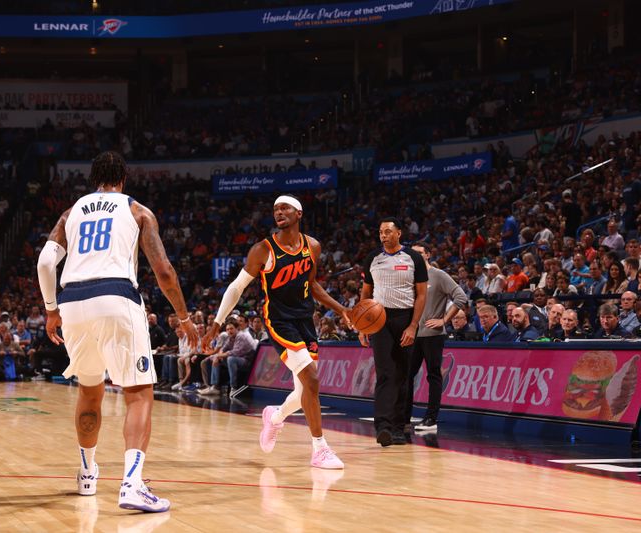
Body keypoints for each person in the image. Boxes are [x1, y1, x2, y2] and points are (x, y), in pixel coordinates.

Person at [36, 151, 197, 510]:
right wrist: (184, 317)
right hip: (116, 296)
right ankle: (132, 484)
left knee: (89, 392)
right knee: (138, 393)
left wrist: (50, 310)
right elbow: (164, 271)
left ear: (94, 179)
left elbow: (46, 262)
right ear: (123, 180)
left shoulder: (71, 212)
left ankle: (87, 473)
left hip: (73, 301)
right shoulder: (137, 210)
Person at [202, 195, 349, 469]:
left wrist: (341, 309)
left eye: (285, 208)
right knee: (312, 380)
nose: (279, 212)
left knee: (304, 389)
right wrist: (216, 324)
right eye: (276, 209)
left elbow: (312, 284)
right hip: (278, 320)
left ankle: (275, 417)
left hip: (305, 320)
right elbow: (236, 288)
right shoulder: (263, 249)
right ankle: (320, 449)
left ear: (299, 213)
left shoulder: (312, 246)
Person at [359, 217, 428, 447]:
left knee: (402, 374)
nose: (383, 235)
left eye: (388, 231)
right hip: (380, 319)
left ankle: (399, 426)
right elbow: (366, 293)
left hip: (405, 317)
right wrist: (362, 325)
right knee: (385, 373)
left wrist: (413, 325)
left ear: (399, 233)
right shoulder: (372, 258)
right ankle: (383, 427)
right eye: (380, 232)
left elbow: (421, 295)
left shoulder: (414, 258)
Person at [405, 243, 467, 432]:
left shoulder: (439, 275)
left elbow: (461, 297)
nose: (416, 257)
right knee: (407, 377)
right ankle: (404, 418)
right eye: (413, 254)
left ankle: (431, 419)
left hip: (432, 334)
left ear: (428, 255)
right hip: (413, 334)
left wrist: (444, 320)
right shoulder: (410, 278)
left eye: (420, 253)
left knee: (433, 375)